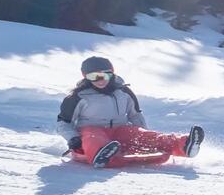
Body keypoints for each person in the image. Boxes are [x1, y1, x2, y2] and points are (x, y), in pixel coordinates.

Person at [57, 56, 204, 168]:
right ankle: (102, 154)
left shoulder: (124, 92)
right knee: (93, 136)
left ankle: (184, 145)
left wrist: (142, 136)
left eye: (106, 75)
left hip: (120, 130)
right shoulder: (78, 96)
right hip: (91, 130)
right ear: (85, 76)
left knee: (145, 136)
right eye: (94, 76)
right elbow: (63, 123)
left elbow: (135, 115)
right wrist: (73, 138)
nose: (101, 80)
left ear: (112, 73)